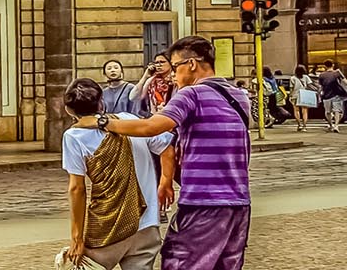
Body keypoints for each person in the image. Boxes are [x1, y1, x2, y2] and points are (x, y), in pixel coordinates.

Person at [99, 35, 252, 270]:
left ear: (191, 64)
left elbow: (151, 127)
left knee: (179, 261)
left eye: (175, 67)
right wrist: (168, 178)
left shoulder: (191, 94)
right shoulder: (238, 96)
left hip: (203, 202)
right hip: (239, 203)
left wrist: (102, 122)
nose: (172, 75)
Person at [59, 78, 172, 269]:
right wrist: (165, 182)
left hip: (106, 228)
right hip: (146, 223)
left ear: (69, 110)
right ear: (101, 102)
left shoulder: (73, 136)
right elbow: (167, 148)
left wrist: (77, 238)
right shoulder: (129, 120)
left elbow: (77, 189)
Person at [316, 61, 346, 131]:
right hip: (337, 94)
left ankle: (331, 125)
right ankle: (336, 126)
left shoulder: (322, 75)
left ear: (325, 66)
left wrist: (319, 95)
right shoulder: (337, 73)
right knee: (337, 111)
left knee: (328, 112)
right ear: (333, 65)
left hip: (326, 95)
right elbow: (345, 82)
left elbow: (320, 87)